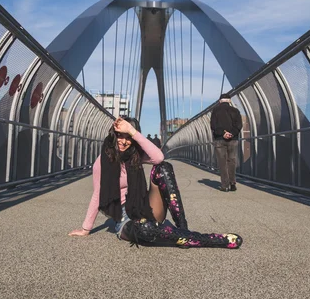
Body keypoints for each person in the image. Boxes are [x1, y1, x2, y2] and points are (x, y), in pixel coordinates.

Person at [68, 116, 242, 249]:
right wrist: (86, 229)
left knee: (163, 167)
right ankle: (203, 239)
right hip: (124, 217)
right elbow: (98, 194)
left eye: (128, 137)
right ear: (114, 136)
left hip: (144, 206)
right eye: (120, 136)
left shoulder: (135, 155)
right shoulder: (103, 161)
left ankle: (184, 231)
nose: (124, 141)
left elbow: (159, 157)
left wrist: (133, 132)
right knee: (143, 229)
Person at [210, 93, 242, 192]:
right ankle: (233, 183)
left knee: (222, 162)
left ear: (220, 101)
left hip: (219, 139)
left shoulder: (215, 111)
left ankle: (225, 185)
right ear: (229, 101)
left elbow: (213, 126)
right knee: (232, 161)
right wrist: (231, 133)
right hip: (233, 140)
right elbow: (239, 125)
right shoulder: (235, 111)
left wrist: (222, 133)